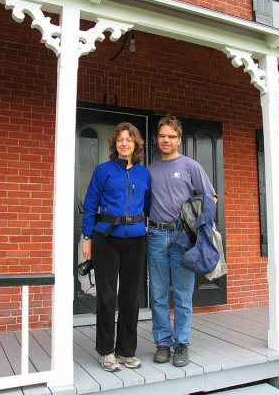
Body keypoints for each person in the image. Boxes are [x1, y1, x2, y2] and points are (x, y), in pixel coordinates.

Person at [147, 115, 217, 367]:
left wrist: (197, 227)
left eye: (171, 136)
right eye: (162, 135)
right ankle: (163, 342)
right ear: (158, 139)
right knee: (157, 294)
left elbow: (211, 199)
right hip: (155, 235)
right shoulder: (150, 171)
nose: (166, 140)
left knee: (184, 295)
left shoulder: (191, 166)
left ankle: (182, 344)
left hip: (183, 238)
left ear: (179, 139)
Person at [82, 122, 151, 372]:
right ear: (115, 144)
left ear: (136, 144)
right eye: (120, 140)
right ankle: (106, 351)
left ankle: (126, 351)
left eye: (129, 140)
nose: (124, 143)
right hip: (106, 240)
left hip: (136, 240)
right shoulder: (103, 170)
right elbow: (90, 205)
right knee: (107, 296)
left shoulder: (144, 174)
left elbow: (150, 206)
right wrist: (87, 239)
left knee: (131, 297)